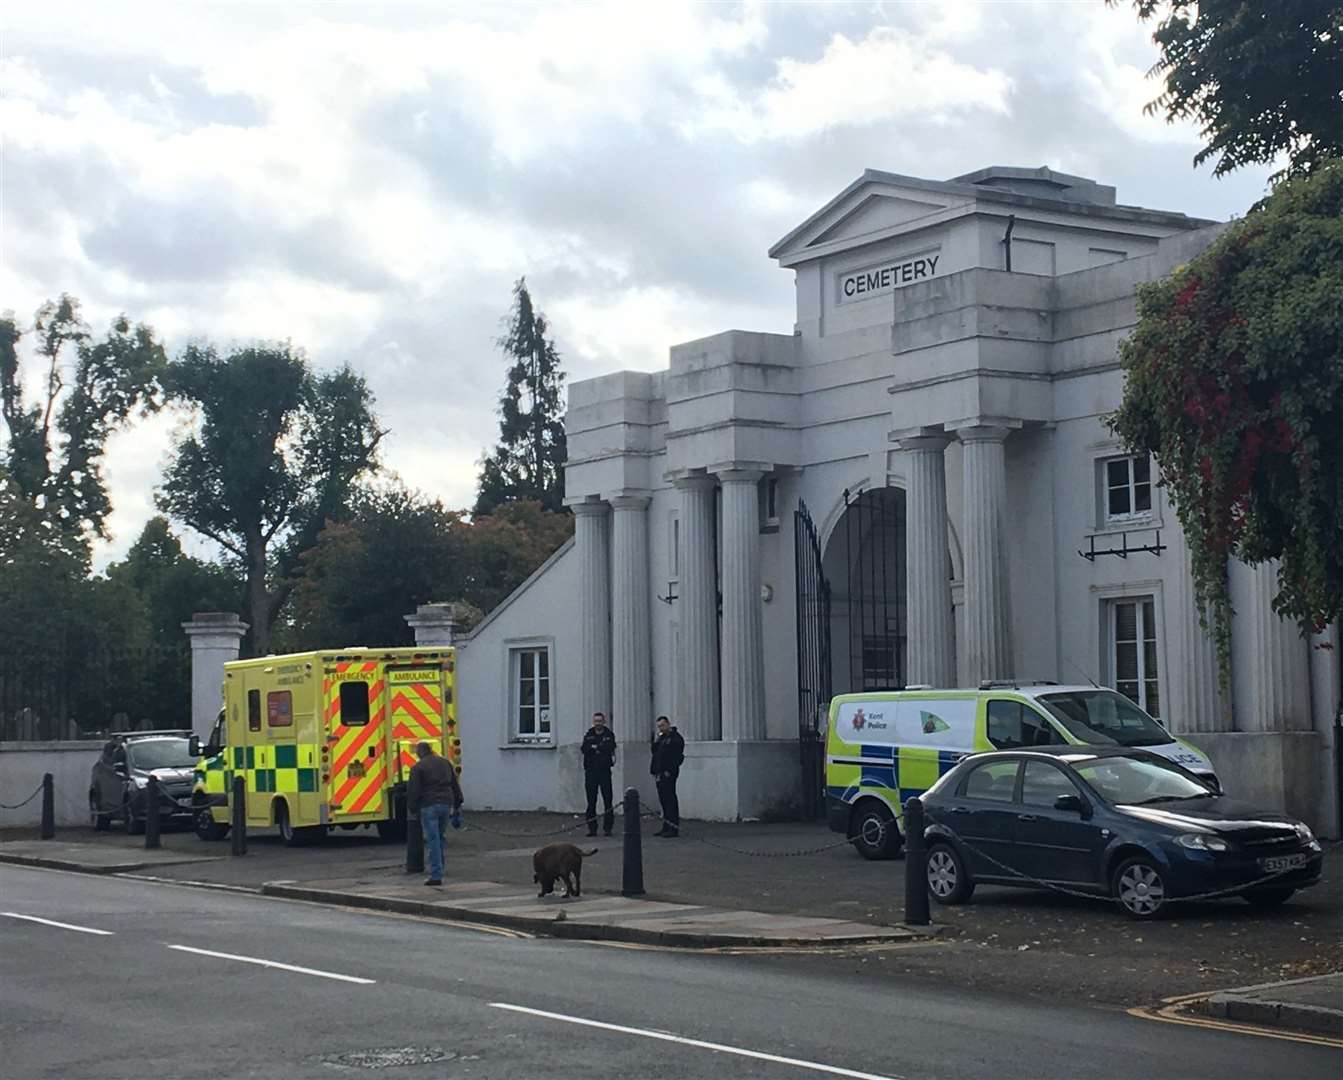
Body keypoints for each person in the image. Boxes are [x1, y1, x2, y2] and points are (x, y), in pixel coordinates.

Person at [407, 740, 463, 886]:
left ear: (420, 753)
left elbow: (414, 791)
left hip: (429, 805)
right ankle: (440, 867)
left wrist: (412, 808)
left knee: (432, 840)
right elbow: (454, 784)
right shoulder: (445, 763)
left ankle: (436, 875)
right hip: (446, 803)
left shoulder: (418, 768)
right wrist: (457, 804)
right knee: (439, 837)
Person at [580, 711, 617, 836]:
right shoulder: (589, 734)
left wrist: (595, 748)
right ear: (593, 722)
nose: (598, 723)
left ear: (604, 722)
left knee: (608, 800)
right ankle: (592, 828)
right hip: (591, 772)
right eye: (596, 721)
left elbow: (609, 747)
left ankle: (608, 828)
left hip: (604, 772)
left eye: (600, 721)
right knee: (591, 802)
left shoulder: (609, 734)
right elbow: (584, 749)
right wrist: (597, 748)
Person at [650, 715, 685, 837]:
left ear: (668, 724)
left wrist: (669, 771)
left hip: (668, 773)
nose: (661, 728)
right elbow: (655, 752)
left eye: (663, 725)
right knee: (663, 801)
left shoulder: (675, 738)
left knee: (670, 800)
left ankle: (673, 827)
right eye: (659, 726)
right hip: (659, 773)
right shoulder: (661, 738)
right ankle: (666, 826)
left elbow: (676, 757)